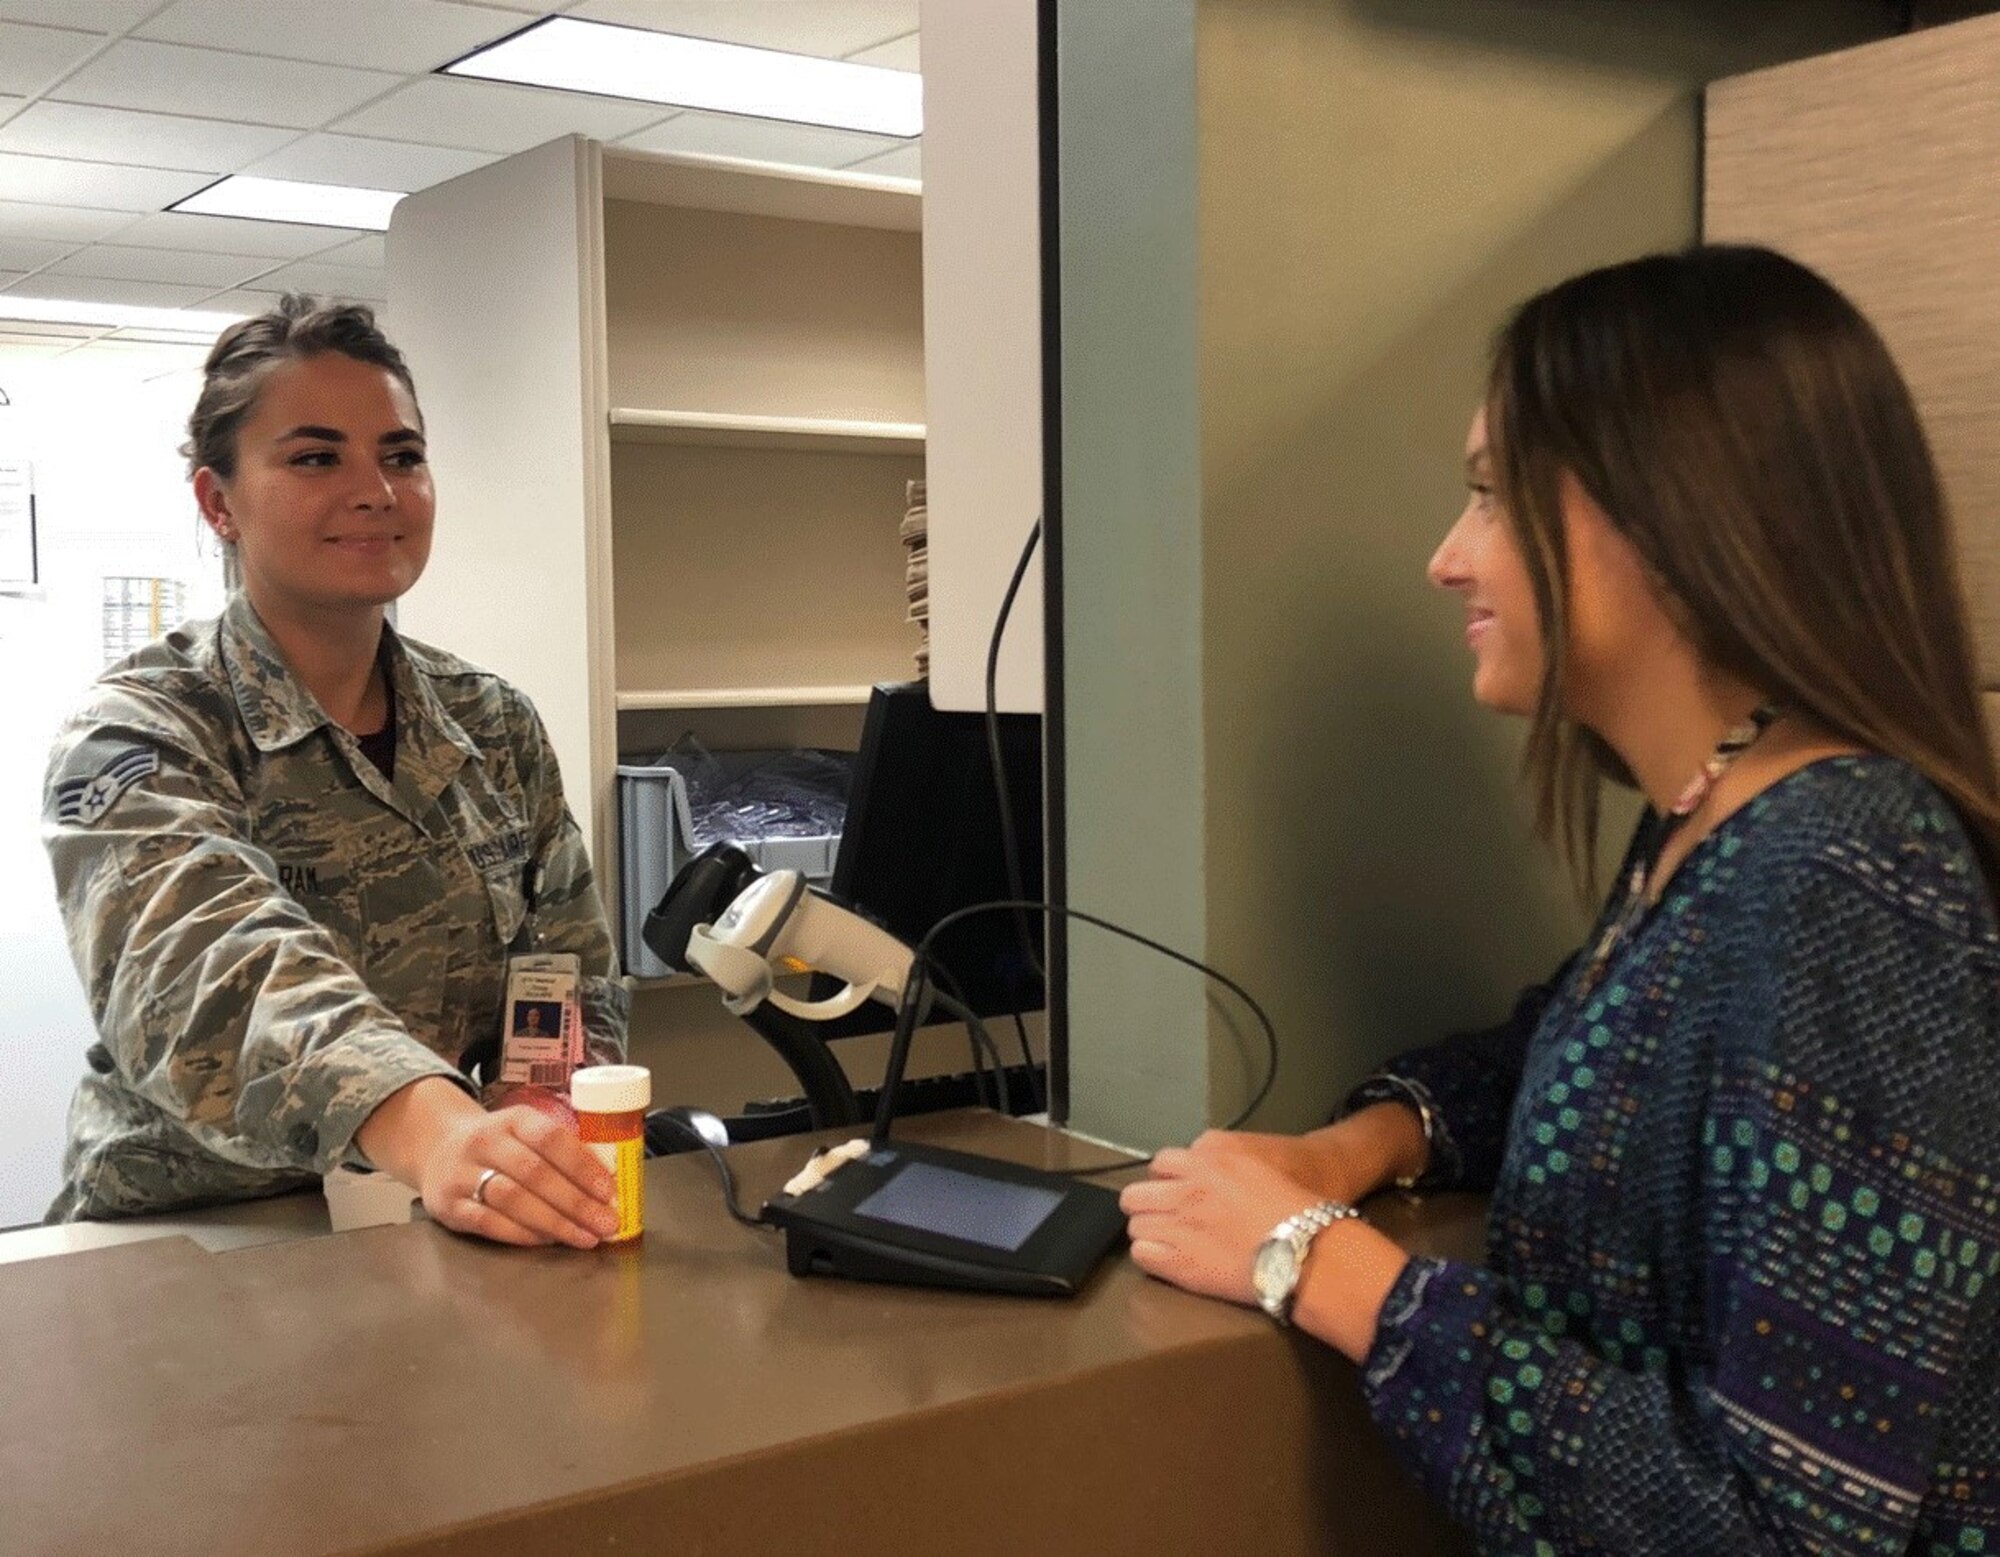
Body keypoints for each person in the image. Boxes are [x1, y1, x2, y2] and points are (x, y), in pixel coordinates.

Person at [1120, 246, 2000, 1554]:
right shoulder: (1716, 822)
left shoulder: (1847, 880)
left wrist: (1317, 1256)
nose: (1447, 558)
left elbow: (1782, 1527)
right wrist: (1349, 1152)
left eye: (1488, 494)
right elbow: (1593, 1051)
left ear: (1673, 515)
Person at [42, 296, 628, 1251]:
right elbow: (206, 971)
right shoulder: (142, 729)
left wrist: (534, 1123)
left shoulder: (492, 722)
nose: (378, 490)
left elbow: (563, 972)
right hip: (188, 1242)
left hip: (420, 1227)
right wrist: (437, 1130)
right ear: (217, 501)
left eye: (402, 455)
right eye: (316, 457)